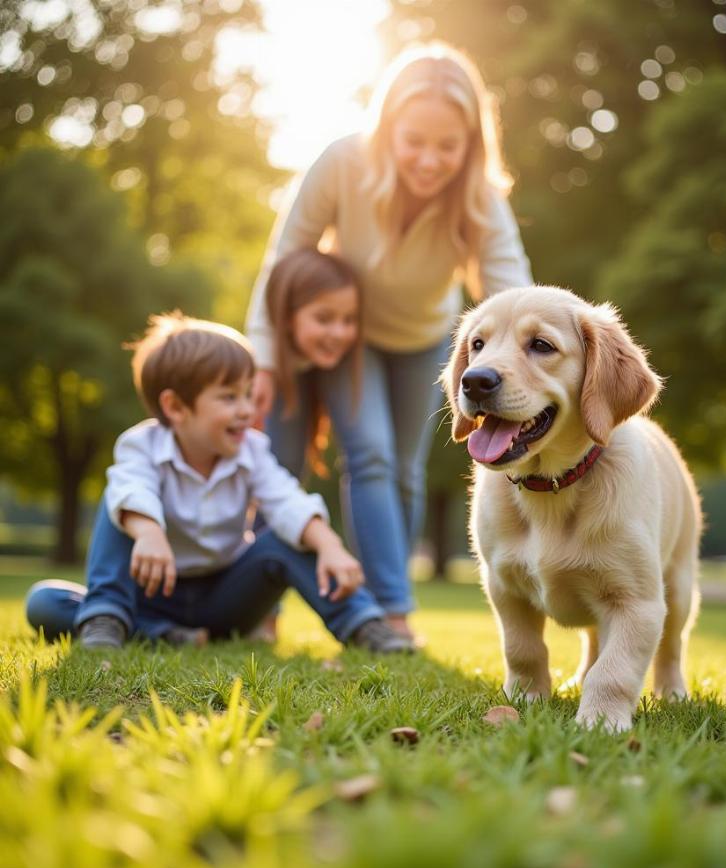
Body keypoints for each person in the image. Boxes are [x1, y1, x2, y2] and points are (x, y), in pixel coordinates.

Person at [246, 42, 533, 639]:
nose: (429, 160)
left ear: (470, 145)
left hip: (425, 339)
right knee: (366, 454)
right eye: (414, 142)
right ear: (387, 130)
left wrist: (540, 363)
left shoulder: (480, 196)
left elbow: (513, 292)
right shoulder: (343, 162)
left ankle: (386, 608)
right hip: (345, 337)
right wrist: (265, 359)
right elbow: (286, 257)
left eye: (447, 147)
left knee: (403, 471)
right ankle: (273, 612)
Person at [24, 313, 412, 653]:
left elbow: (287, 501)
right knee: (48, 598)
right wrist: (148, 531)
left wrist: (330, 546)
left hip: (226, 599)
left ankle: (363, 623)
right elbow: (133, 489)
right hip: (151, 593)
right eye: (229, 397)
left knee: (291, 537)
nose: (246, 410)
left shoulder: (252, 452)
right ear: (176, 407)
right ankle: (119, 623)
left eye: (247, 395)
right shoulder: (141, 446)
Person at [250, 247, 363, 642]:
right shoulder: (259, 382)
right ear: (287, 316)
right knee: (272, 499)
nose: (339, 333)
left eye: (349, 320)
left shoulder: (309, 374)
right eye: (324, 318)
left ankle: (264, 616)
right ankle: (261, 617)